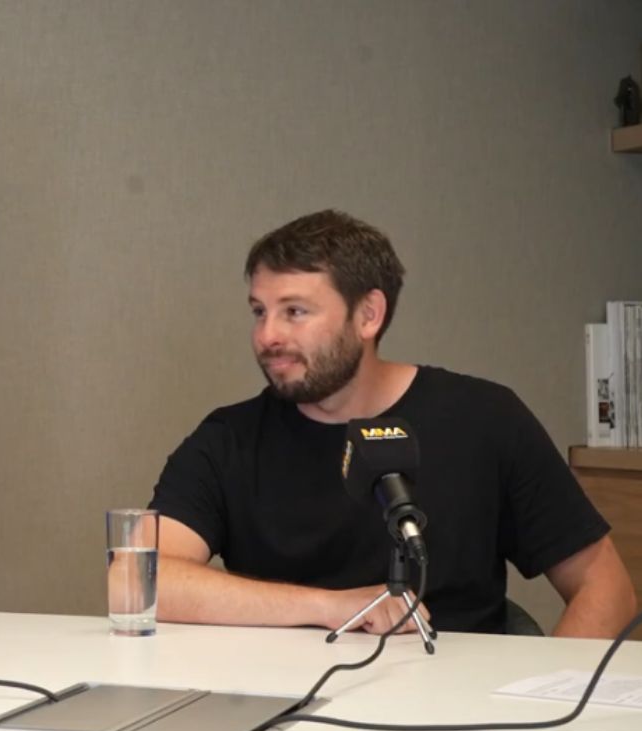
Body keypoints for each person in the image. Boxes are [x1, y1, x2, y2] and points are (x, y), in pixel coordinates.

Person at [149, 209, 636, 638]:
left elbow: (605, 589)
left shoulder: (484, 419)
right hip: (285, 702)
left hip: (453, 699)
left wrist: (548, 700)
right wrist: (330, 607)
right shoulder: (229, 439)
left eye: (294, 311)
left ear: (368, 315)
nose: (267, 335)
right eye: (260, 312)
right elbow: (144, 580)